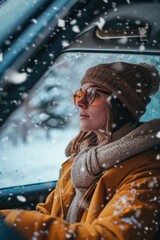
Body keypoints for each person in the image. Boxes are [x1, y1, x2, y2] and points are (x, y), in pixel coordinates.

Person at [0, 62, 160, 240]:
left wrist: (18, 222)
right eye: (79, 94)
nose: (80, 103)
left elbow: (111, 236)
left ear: (121, 103)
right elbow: (49, 213)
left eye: (93, 94)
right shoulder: (79, 160)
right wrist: (5, 218)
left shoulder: (148, 173)